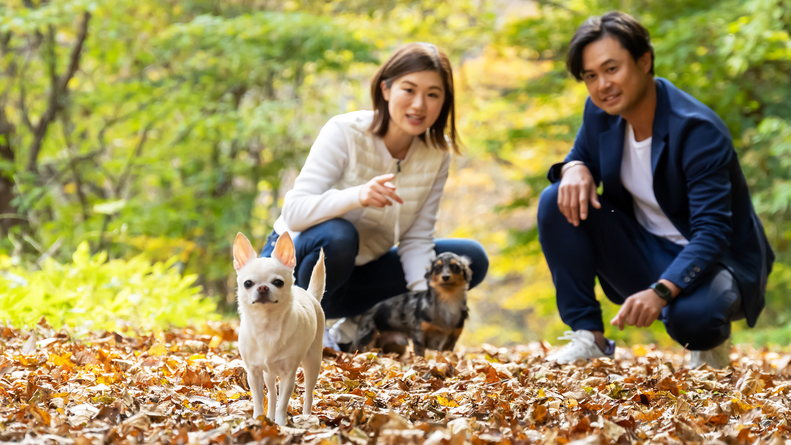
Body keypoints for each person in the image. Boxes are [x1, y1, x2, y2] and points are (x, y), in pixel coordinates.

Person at [537, 11, 773, 367]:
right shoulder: (601, 112)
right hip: (642, 249)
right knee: (556, 198)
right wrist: (574, 168)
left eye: (612, 69)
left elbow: (713, 232)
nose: (602, 85)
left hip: (716, 262)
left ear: (644, 61)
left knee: (694, 321)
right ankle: (589, 337)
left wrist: (660, 292)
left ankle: (709, 343)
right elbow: (580, 155)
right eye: (591, 76)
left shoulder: (697, 131)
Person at [260, 42, 489, 351]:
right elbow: (295, 212)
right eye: (409, 90)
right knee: (339, 235)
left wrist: (427, 305)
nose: (419, 104)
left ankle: (357, 324)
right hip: (295, 265)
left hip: (361, 273)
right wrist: (357, 196)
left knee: (469, 257)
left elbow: (417, 239)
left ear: (444, 101)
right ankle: (306, 325)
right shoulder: (345, 131)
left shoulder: (437, 153)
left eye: (433, 94)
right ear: (385, 89)